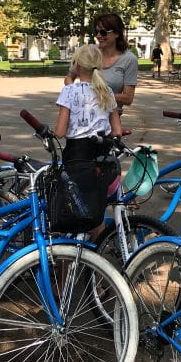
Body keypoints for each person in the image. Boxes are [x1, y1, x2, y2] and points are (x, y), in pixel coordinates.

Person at [55, 44, 122, 237]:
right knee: (95, 203)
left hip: (77, 155)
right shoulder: (107, 91)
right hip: (102, 155)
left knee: (76, 203)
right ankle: (97, 244)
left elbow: (60, 132)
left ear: (77, 66)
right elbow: (117, 130)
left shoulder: (69, 91)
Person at [65, 13, 138, 111]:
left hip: (111, 115)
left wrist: (96, 95)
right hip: (82, 113)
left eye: (103, 32)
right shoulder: (89, 52)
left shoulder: (129, 59)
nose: (98, 36)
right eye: (96, 32)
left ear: (117, 34)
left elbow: (128, 98)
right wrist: (75, 91)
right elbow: (69, 77)